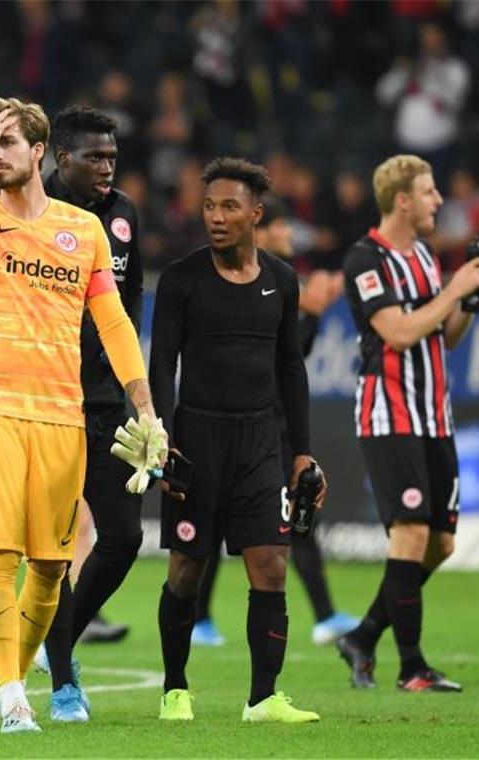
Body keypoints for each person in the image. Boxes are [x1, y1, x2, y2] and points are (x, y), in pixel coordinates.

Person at [0, 98, 165, 733]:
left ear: (37, 153)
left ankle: (17, 680)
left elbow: (112, 320)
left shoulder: (82, 231)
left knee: (52, 566)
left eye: (7, 144)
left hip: (65, 410)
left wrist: (143, 401)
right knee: (0, 552)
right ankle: (11, 693)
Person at [149, 158, 324, 724]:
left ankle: (263, 697)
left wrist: (300, 451)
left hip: (258, 443)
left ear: (256, 213)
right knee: (186, 572)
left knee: (270, 564)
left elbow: (291, 370)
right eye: (208, 207)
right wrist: (164, 438)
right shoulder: (181, 279)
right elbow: (161, 366)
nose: (216, 218)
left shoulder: (282, 281)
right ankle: (175, 687)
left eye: (229, 207)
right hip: (195, 443)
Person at [336, 154, 479, 692]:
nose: (439, 201)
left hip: (434, 413)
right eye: (430, 192)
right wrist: (453, 291)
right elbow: (401, 333)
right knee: (409, 534)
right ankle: (413, 667)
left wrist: (471, 294)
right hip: (390, 412)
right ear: (403, 200)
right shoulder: (365, 259)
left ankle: (363, 636)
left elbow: (443, 336)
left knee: (441, 544)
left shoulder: (427, 258)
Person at [190, 201, 359, 649]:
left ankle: (322, 614)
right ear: (259, 229)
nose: (288, 233)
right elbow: (272, 358)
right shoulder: (247, 282)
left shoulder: (279, 281)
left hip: (274, 423)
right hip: (246, 424)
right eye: (282, 225)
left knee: (294, 515)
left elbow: (288, 359)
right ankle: (198, 617)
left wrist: (313, 314)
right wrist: (315, 314)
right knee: (231, 521)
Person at [34, 106, 144, 722]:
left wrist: (136, 392)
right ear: (60, 159)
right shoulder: (30, 213)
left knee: (124, 536)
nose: (107, 168)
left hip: (104, 401)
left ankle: (61, 641)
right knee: (53, 550)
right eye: (94, 157)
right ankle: (64, 687)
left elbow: (127, 306)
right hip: (46, 402)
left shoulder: (123, 216)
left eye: (112, 156)